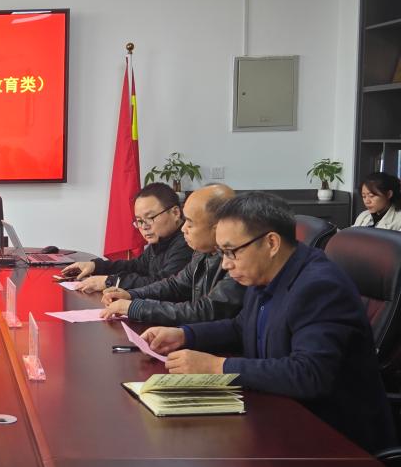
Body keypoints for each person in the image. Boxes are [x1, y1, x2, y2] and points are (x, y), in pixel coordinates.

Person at [141, 192, 394, 453]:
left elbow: (309, 374)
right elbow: (241, 327)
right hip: (280, 415)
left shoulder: (319, 287)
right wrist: (185, 335)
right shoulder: (267, 273)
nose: (225, 264)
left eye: (231, 252)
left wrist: (217, 367)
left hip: (336, 442)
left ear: (271, 243)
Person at [101, 184, 245, 323]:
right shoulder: (201, 252)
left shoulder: (238, 262)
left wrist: (136, 307)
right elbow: (175, 284)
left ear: (219, 227)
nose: (183, 229)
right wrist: (132, 295)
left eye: (190, 223)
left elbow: (206, 311)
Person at [63, 182, 192, 293]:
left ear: (175, 213)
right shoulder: (162, 240)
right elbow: (136, 266)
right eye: (139, 221)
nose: (144, 226)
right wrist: (96, 266)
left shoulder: (187, 243)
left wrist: (111, 281)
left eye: (150, 218)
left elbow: (162, 284)